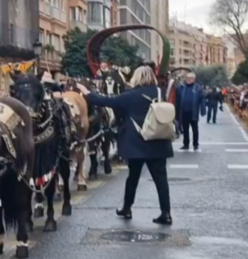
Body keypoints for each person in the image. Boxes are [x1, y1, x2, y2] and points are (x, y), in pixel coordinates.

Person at [77, 66, 173, 225]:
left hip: (136, 143)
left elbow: (105, 101)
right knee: (161, 180)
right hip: (158, 141)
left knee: (133, 177)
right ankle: (166, 213)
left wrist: (87, 93)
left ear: (136, 77)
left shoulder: (129, 96)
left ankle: (127, 208)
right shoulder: (159, 92)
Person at [175, 72, 204, 150]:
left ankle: (195, 144)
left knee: (195, 129)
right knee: (185, 129)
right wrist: (176, 112)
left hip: (193, 112)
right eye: (187, 78)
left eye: (191, 78)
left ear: (194, 79)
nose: (189, 80)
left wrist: (203, 110)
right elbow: (177, 100)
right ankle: (186, 144)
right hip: (184, 112)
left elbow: (202, 99)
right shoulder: (181, 87)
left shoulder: (198, 88)